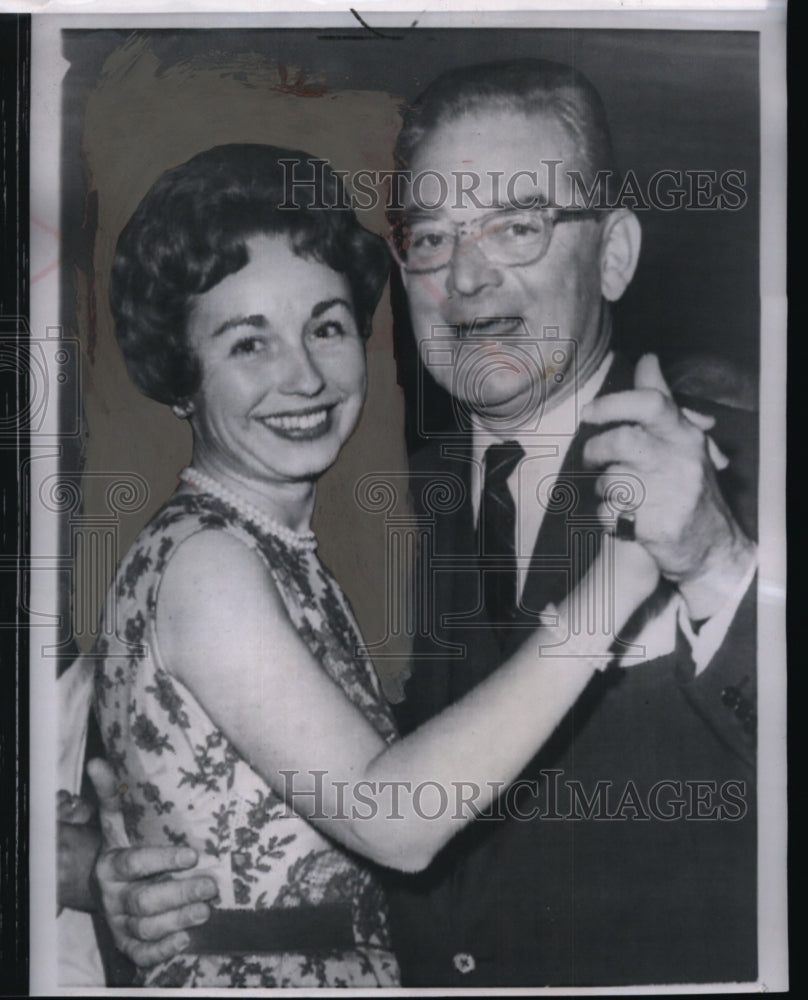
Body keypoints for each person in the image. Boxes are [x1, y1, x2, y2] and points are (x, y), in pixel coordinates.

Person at [76, 60, 758, 987]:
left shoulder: (749, 466)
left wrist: (717, 561)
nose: (469, 278)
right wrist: (110, 879)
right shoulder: (369, 509)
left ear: (614, 253)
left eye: (517, 227)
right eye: (433, 238)